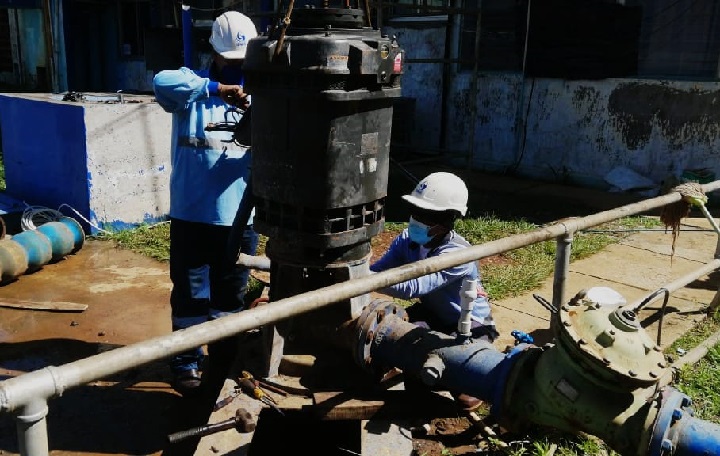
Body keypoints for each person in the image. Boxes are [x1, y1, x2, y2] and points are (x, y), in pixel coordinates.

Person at [153, 11, 259, 396]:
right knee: (190, 295)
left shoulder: (261, 95)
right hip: (192, 216)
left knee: (230, 297)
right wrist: (216, 89)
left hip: (239, 219)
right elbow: (161, 82)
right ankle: (186, 363)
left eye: (242, 61)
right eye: (230, 60)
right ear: (214, 54)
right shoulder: (192, 90)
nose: (237, 67)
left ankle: (224, 361)